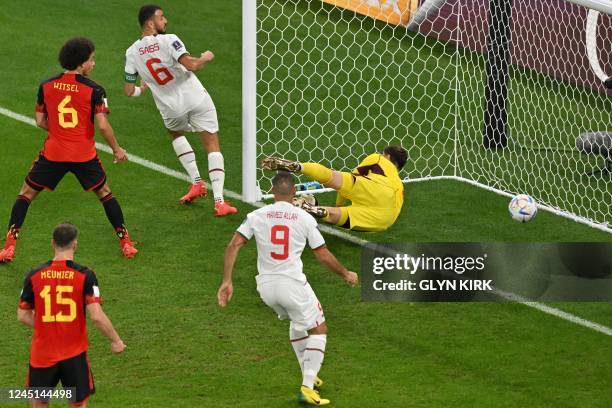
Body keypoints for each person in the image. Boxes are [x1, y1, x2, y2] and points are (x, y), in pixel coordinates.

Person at [217, 172, 358, 406]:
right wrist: (346, 274)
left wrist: (227, 281)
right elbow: (322, 255)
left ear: (272, 192)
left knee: (297, 323)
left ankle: (308, 372)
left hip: (265, 287)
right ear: (294, 192)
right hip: (292, 284)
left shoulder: (256, 215)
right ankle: (307, 386)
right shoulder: (303, 218)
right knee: (319, 329)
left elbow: (234, 245)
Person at [0, 38, 137, 263]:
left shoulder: (46, 85)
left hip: (54, 153)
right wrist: (116, 149)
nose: (93, 64)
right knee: (105, 194)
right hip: (84, 155)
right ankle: (126, 243)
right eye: (92, 59)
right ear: (82, 63)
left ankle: (9, 247)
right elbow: (102, 125)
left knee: (26, 194)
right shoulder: (95, 89)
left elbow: (40, 120)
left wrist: (62, 132)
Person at [123, 4, 237, 216]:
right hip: (196, 98)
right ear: (150, 23)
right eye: (161, 17)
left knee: (175, 133)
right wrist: (205, 57)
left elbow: (129, 91)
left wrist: (142, 89)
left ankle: (196, 182)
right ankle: (219, 202)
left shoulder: (131, 53)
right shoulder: (169, 40)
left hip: (170, 108)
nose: (165, 21)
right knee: (211, 143)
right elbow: (192, 65)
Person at [17, 223, 126, 407]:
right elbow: (97, 316)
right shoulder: (86, 275)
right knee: (77, 404)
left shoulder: (34, 275)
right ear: (75, 244)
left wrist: (46, 326)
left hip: (42, 354)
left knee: (38, 403)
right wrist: (116, 341)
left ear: (52, 243)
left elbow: (22, 315)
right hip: (74, 355)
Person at [262, 145, 408, 232]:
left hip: (377, 187)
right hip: (386, 219)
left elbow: (346, 182)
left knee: (331, 176)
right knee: (333, 215)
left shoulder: (378, 159)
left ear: (387, 155)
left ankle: (298, 166)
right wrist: (338, 208)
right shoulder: (399, 185)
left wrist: (339, 203)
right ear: (399, 167)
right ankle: (310, 208)